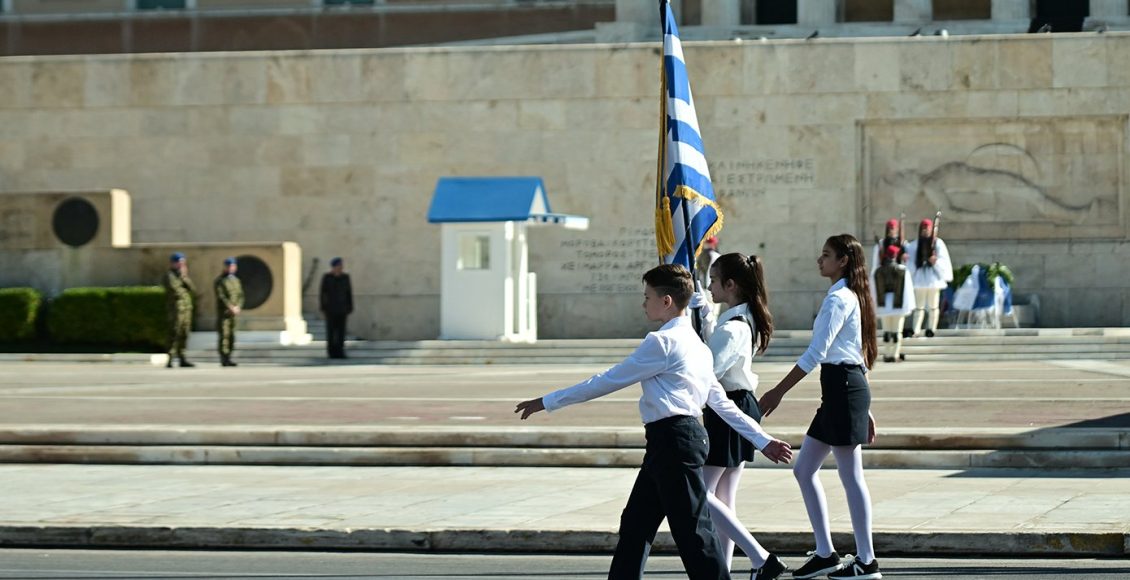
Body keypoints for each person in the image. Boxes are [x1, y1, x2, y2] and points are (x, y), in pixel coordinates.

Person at [515, 264, 793, 580]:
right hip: (676, 441)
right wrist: (762, 440)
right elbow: (723, 406)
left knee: (694, 533)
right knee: (636, 523)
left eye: (647, 296)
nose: (643, 303)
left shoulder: (662, 342)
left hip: (673, 441)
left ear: (666, 301)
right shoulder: (698, 347)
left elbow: (607, 380)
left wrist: (548, 401)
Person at [758, 234, 882, 580]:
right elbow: (856, 352)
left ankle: (867, 561)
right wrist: (865, 405)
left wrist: (778, 391)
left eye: (826, 255)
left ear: (842, 261)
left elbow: (817, 353)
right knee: (804, 469)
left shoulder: (840, 299)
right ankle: (826, 553)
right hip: (842, 389)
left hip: (843, 388)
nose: (819, 260)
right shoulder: (847, 296)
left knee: (850, 475)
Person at [701, 253, 788, 580]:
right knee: (724, 498)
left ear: (731, 285)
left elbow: (707, 370)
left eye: (713, 280)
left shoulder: (734, 327)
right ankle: (725, 571)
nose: (709, 286)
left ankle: (761, 557)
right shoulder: (741, 318)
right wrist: (707, 319)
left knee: (702, 494)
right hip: (739, 403)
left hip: (729, 407)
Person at [905, 218, 953, 338]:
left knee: (933, 306)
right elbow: (910, 261)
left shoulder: (938, 243)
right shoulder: (914, 245)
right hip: (920, 279)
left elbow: (943, 259)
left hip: (933, 279)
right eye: (923, 229)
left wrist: (935, 261)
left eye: (927, 229)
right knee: (918, 307)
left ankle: (931, 328)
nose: (925, 231)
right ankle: (916, 329)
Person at [872, 245, 915, 363]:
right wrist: (908, 305)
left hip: (884, 304)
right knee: (897, 331)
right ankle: (894, 355)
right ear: (896, 256)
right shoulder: (902, 270)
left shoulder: (878, 270)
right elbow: (907, 290)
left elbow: (874, 290)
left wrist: (875, 305)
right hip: (898, 304)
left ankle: (887, 354)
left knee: (887, 331)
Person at [161, 252, 196, 369]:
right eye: (179, 263)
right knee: (174, 332)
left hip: (186, 309)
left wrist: (185, 277)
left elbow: (192, 289)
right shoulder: (169, 276)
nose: (181, 266)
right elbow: (176, 291)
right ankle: (170, 358)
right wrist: (182, 279)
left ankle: (182, 358)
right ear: (173, 263)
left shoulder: (182, 276)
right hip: (176, 309)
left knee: (184, 333)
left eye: (183, 263)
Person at [319, 257, 354, 359]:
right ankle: (331, 352)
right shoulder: (327, 277)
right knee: (331, 331)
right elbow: (322, 293)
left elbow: (348, 293)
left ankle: (340, 351)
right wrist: (323, 307)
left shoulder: (345, 277)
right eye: (338, 266)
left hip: (342, 309)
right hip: (330, 309)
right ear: (334, 267)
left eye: (341, 266)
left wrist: (350, 306)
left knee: (341, 332)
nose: (340, 268)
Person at [214, 257, 244, 367]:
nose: (231, 268)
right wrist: (230, 306)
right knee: (224, 335)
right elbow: (221, 296)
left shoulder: (236, 280)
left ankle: (229, 357)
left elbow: (241, 296)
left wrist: (238, 307)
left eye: (232, 266)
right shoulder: (220, 281)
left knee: (232, 336)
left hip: (233, 314)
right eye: (229, 266)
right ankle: (224, 357)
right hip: (224, 313)